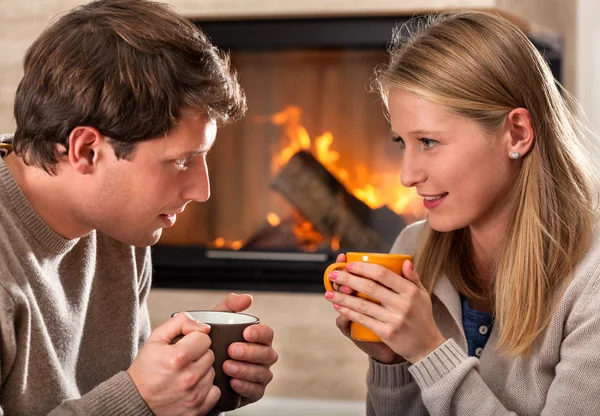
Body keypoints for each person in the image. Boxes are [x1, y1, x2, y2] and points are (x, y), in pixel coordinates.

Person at [0, 0, 278, 415]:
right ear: (87, 151)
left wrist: (192, 380)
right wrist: (139, 399)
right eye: (181, 161)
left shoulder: (117, 221)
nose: (202, 190)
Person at [324, 10, 600, 416]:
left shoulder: (591, 277)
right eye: (403, 143)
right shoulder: (414, 247)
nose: (407, 175)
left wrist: (428, 351)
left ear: (517, 133)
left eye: (430, 142)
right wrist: (392, 360)